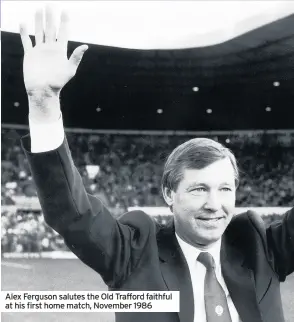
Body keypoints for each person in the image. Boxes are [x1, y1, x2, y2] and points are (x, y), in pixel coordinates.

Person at [19, 7, 293, 322]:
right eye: (199, 188)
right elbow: (72, 212)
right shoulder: (134, 254)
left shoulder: (262, 247)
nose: (214, 204)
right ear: (168, 193)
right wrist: (42, 102)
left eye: (225, 188)